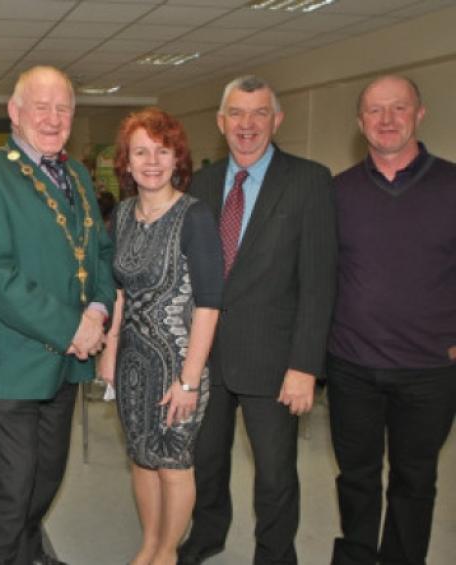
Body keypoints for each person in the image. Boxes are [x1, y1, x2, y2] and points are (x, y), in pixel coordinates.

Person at [0, 65, 116, 565]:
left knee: (45, 479)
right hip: (12, 363)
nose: (52, 118)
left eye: (62, 108)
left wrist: (98, 310)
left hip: (67, 361)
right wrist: (72, 327)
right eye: (40, 107)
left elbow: (100, 253)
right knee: (10, 490)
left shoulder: (79, 174)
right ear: (14, 113)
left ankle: (27, 552)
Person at [178, 75, 337, 565]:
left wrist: (305, 365)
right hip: (207, 358)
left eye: (260, 113)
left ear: (277, 120)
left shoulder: (309, 180)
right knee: (205, 463)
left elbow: (319, 281)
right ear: (221, 122)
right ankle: (207, 536)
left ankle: (275, 555)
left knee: (275, 475)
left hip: (275, 362)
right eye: (238, 114)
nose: (248, 125)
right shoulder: (201, 184)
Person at [326, 75, 455, 565]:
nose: (386, 120)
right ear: (361, 123)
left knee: (414, 479)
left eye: (398, 108)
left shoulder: (451, 184)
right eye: (375, 111)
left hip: (429, 369)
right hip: (351, 364)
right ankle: (356, 556)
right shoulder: (337, 192)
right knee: (355, 476)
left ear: (419, 114)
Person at [98, 108, 223, 565]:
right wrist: (110, 352)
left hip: (179, 364)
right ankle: (149, 542)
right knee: (142, 458)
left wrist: (189, 380)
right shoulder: (123, 216)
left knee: (173, 462)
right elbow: (117, 291)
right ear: (126, 164)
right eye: (141, 152)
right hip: (132, 363)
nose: (152, 161)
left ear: (177, 159)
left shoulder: (195, 217)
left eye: (162, 151)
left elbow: (210, 305)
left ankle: (168, 551)